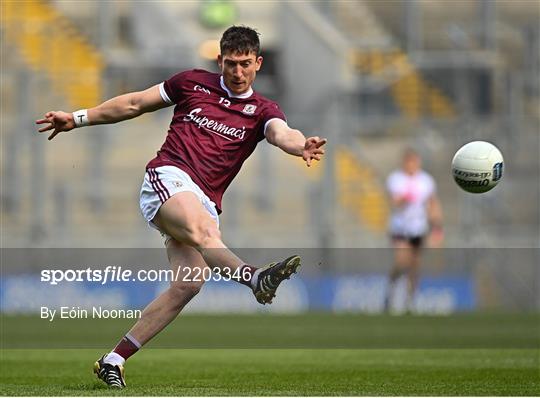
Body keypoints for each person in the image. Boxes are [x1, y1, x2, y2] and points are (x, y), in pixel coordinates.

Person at [36, 26, 326, 388]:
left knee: (189, 284)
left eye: (245, 64)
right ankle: (255, 278)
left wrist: (300, 146)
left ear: (258, 64)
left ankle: (114, 359)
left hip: (201, 198)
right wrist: (77, 118)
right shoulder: (192, 83)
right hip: (168, 178)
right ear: (219, 60)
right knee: (206, 232)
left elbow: (281, 132)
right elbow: (134, 104)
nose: (237, 72)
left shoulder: (263, 110)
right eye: (231, 64)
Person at [384, 149, 443, 313]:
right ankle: (391, 290)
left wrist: (437, 228)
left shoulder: (426, 181)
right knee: (402, 261)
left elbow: (433, 204)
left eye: (415, 162)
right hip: (400, 227)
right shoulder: (396, 179)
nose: (412, 165)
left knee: (415, 266)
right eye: (409, 162)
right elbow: (394, 202)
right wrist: (405, 196)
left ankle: (410, 301)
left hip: (418, 228)